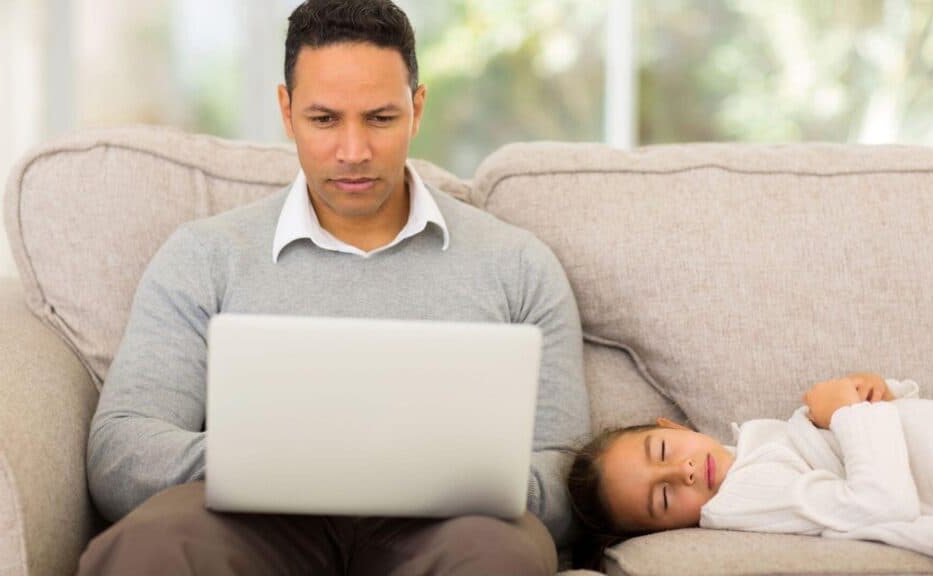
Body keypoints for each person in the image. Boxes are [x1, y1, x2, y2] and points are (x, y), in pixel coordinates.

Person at [78, 1, 589, 574]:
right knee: (152, 547)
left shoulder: (517, 266)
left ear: (417, 110)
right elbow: (120, 452)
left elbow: (571, 475)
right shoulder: (204, 257)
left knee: (499, 555)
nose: (353, 151)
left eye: (380, 118)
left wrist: (440, 472)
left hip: (451, 529)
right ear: (286, 109)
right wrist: (278, 463)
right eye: (324, 120)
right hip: (249, 523)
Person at [567, 373, 933, 575]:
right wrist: (849, 412)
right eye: (662, 499)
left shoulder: (751, 447)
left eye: (663, 451)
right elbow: (882, 502)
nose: (684, 471)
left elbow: (868, 440)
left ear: (673, 428)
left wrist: (877, 395)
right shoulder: (741, 501)